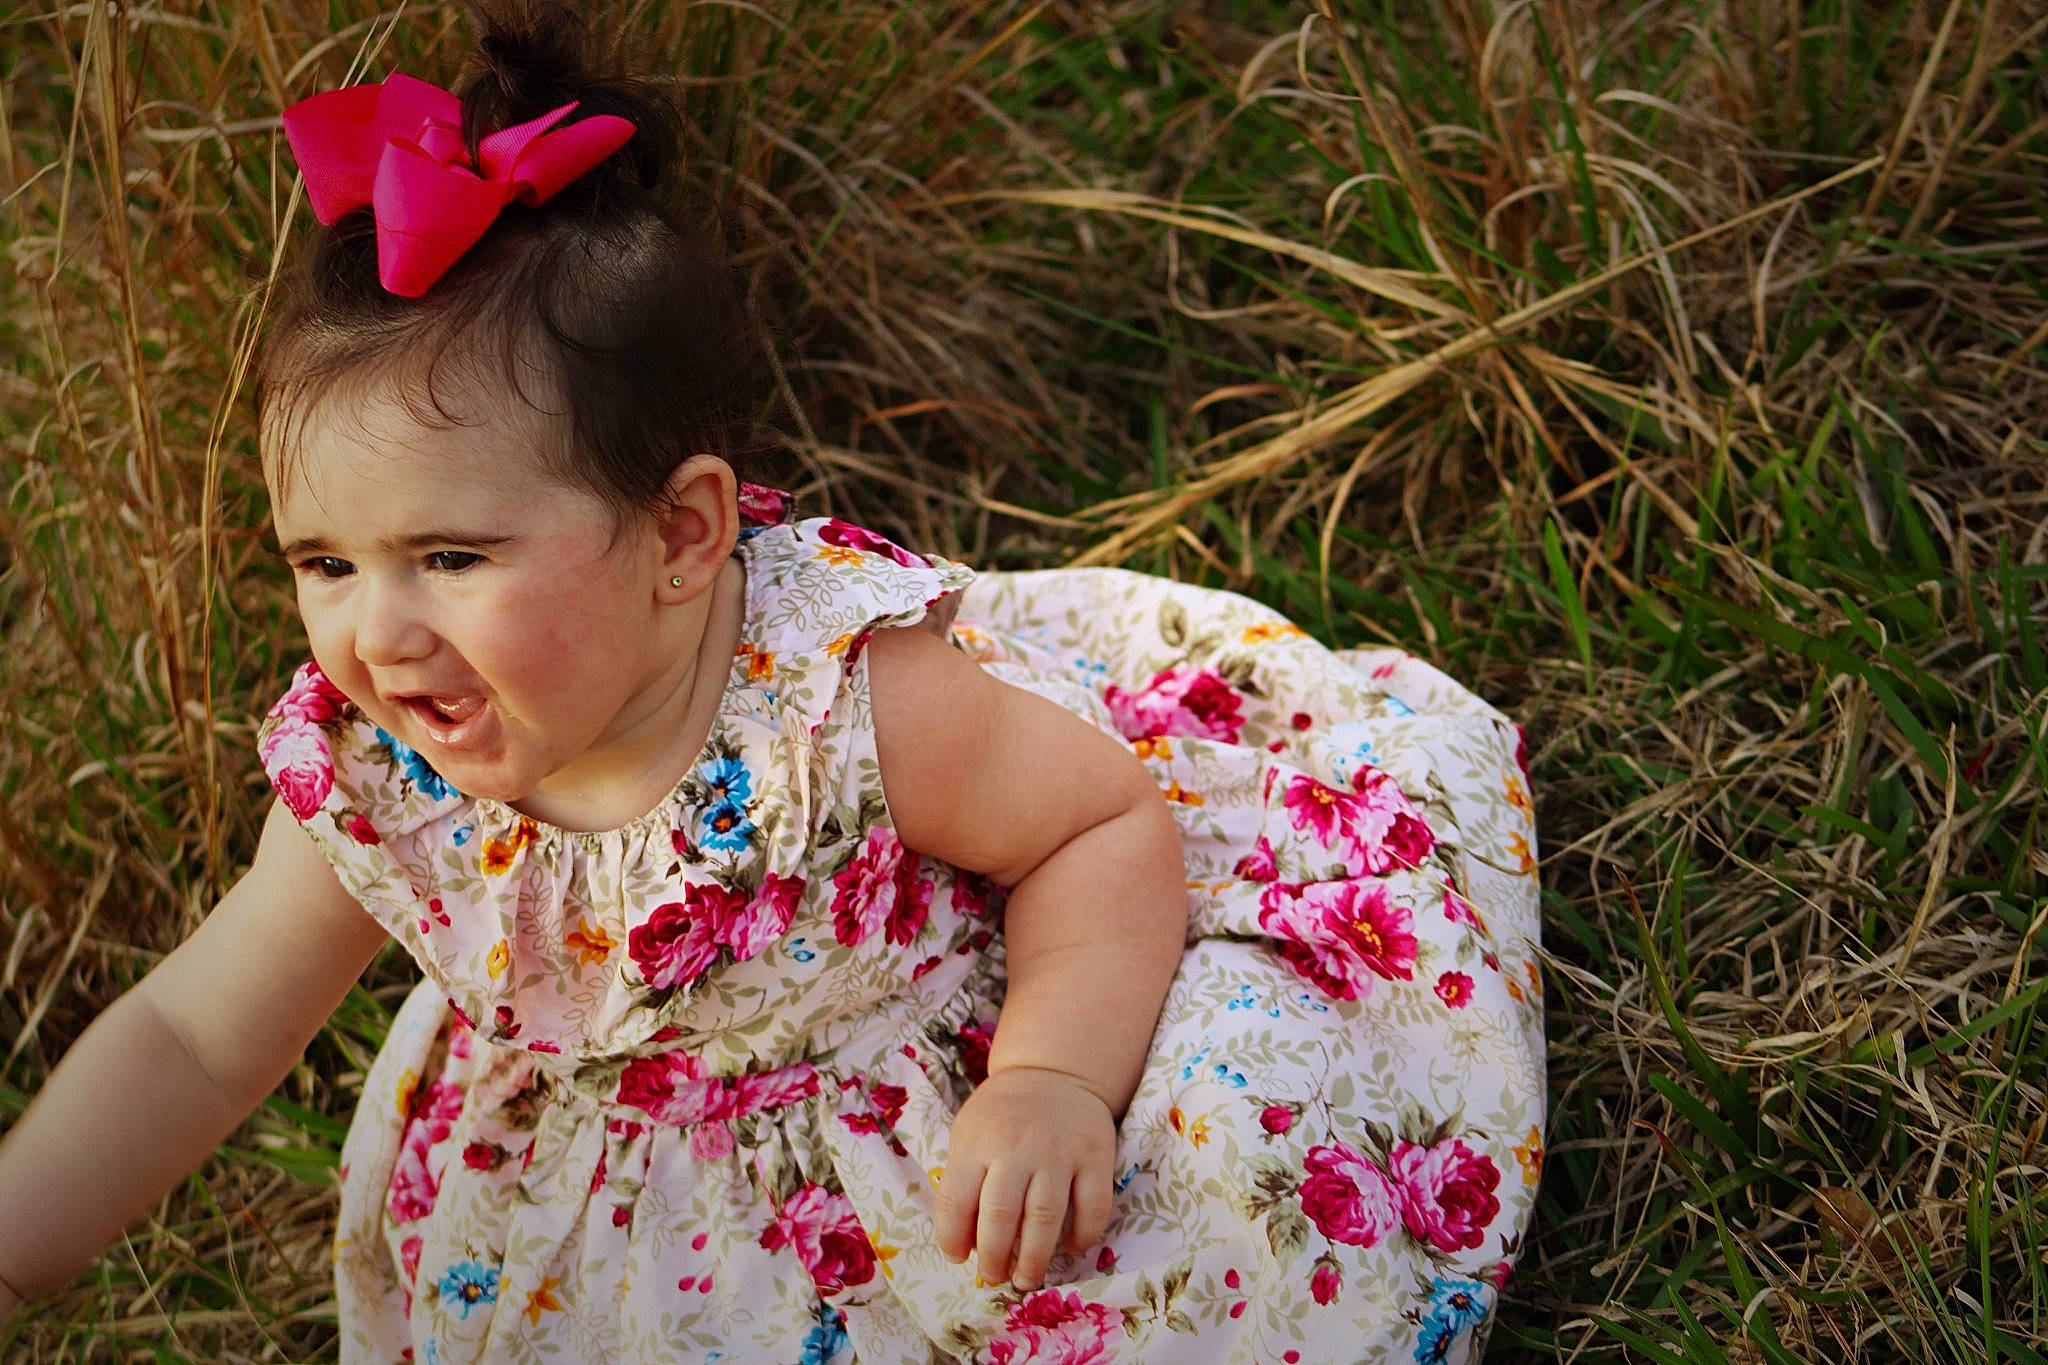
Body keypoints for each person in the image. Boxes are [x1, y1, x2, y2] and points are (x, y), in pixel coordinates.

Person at [0, 5, 1544, 1361]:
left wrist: (1058, 1078)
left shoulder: (841, 707)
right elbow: (199, 1035)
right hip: (598, 1199)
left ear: (681, 534)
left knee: (1174, 1247)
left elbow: (1095, 830)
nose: (376, 631)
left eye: (449, 558)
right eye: (325, 562)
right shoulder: (376, 774)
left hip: (914, 1113)